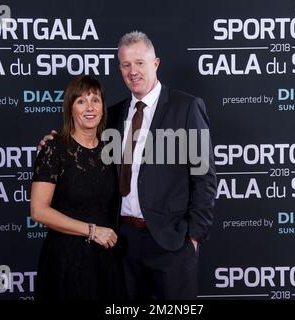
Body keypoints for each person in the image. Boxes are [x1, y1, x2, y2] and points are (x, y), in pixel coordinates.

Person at [40, 31, 217, 300]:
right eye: (126, 65)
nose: (133, 71)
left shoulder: (186, 107)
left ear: (155, 63)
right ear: (120, 68)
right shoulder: (113, 115)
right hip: (122, 243)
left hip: (171, 242)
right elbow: (81, 145)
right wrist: (53, 142)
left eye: (139, 63)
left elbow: (204, 177)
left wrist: (193, 238)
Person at [30, 75, 126, 300]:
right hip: (66, 261)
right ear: (70, 108)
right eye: (81, 101)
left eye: (96, 100)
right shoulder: (54, 149)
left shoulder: (112, 150)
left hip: (106, 260)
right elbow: (38, 211)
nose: (90, 107)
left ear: (104, 108)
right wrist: (92, 231)